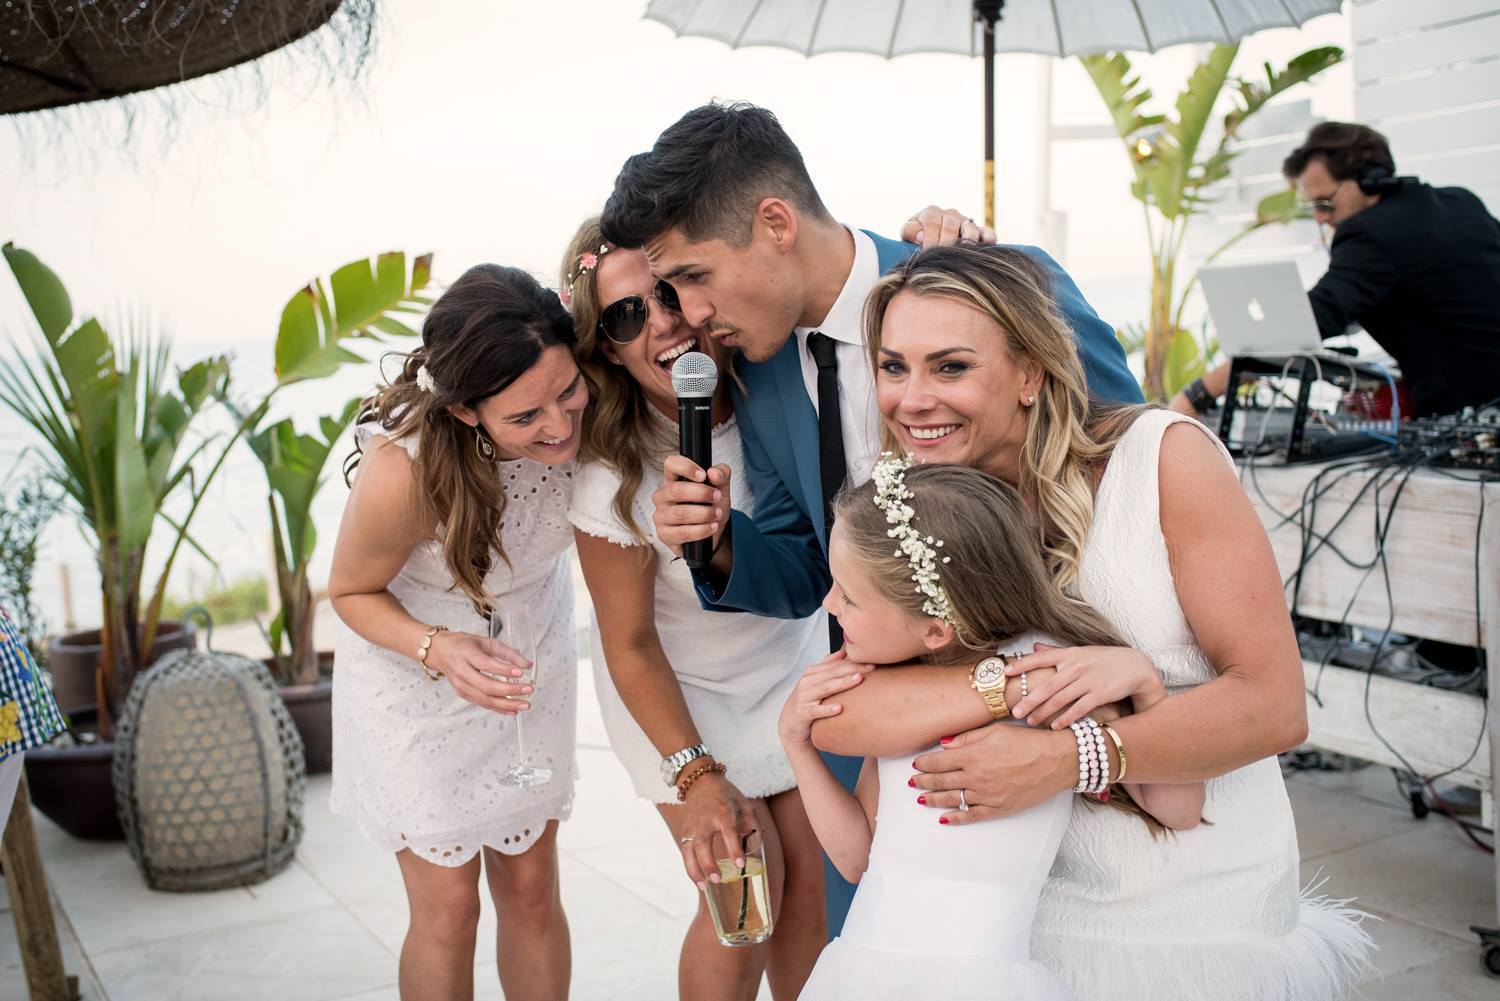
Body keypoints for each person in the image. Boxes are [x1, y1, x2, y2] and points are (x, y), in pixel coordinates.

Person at [600, 100, 1143, 933]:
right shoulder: (758, 370)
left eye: (695, 276)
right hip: (888, 748)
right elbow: (808, 571)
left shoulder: (989, 282)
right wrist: (718, 540)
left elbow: (1127, 475)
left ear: (775, 223)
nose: (690, 313)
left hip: (1068, 718)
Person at [802, 245, 1370, 999]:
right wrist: (1014, 688)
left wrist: (1067, 757)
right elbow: (844, 705)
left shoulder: (1163, 462)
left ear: (1032, 372)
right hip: (1016, 933)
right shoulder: (914, 502)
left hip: (1190, 917)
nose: (912, 399)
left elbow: (1274, 704)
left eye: (950, 367)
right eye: (893, 367)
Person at [560, 205, 991, 1000]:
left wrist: (938, 236)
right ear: (604, 348)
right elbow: (627, 644)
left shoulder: (765, 372)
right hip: (680, 701)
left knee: (814, 892)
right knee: (746, 888)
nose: (662, 323)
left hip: (782, 672)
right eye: (626, 315)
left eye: (667, 292)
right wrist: (696, 776)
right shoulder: (610, 472)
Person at [781, 459, 1204, 1000]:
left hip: (981, 976)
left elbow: (1179, 808)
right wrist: (795, 745)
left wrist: (1144, 686)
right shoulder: (897, 693)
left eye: (848, 595)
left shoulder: (1056, 677)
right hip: (865, 969)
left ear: (936, 630)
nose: (828, 603)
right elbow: (857, 858)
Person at [328, 265, 584, 1001]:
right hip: (412, 670)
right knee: (448, 905)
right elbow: (349, 591)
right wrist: (436, 647)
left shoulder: (582, 415)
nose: (559, 426)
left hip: (528, 659)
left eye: (567, 391)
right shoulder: (402, 470)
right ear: (468, 411)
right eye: (526, 417)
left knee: (532, 884)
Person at [1174, 121, 1500, 419]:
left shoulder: (1370, 233)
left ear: (1369, 181)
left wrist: (1198, 395)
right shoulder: (1460, 201)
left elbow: (1307, 322)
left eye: (1325, 203)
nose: (1320, 217)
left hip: (1477, 413)